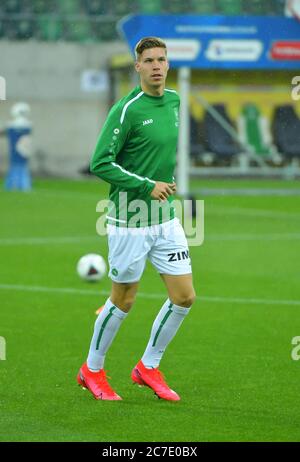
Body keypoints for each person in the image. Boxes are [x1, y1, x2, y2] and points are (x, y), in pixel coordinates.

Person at [77, 37, 196, 401]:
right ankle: (91, 370)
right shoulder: (126, 109)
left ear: (168, 64)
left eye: (162, 59)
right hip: (129, 220)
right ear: (138, 67)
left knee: (184, 296)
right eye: (149, 60)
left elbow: (157, 152)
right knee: (124, 299)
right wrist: (148, 185)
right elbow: (100, 162)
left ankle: (148, 367)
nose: (157, 66)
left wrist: (164, 183)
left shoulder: (175, 101)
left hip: (165, 218)